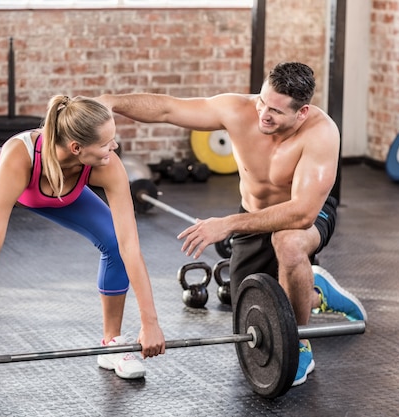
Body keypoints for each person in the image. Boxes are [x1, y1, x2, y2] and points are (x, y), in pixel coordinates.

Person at [96, 62, 367, 387]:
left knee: (289, 242)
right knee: (256, 312)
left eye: (275, 112)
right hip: (253, 218)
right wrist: (111, 101)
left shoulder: (322, 133)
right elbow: (168, 109)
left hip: (306, 216)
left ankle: (299, 344)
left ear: (302, 112)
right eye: (262, 102)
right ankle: (317, 293)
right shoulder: (239, 110)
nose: (263, 114)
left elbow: (302, 214)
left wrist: (226, 225)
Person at [0, 95, 166, 397]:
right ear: (77, 148)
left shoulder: (107, 165)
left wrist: (150, 323)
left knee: (114, 243)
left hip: (58, 191)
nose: (114, 148)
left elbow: (130, 247)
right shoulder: (20, 160)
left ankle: (111, 344)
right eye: (106, 143)